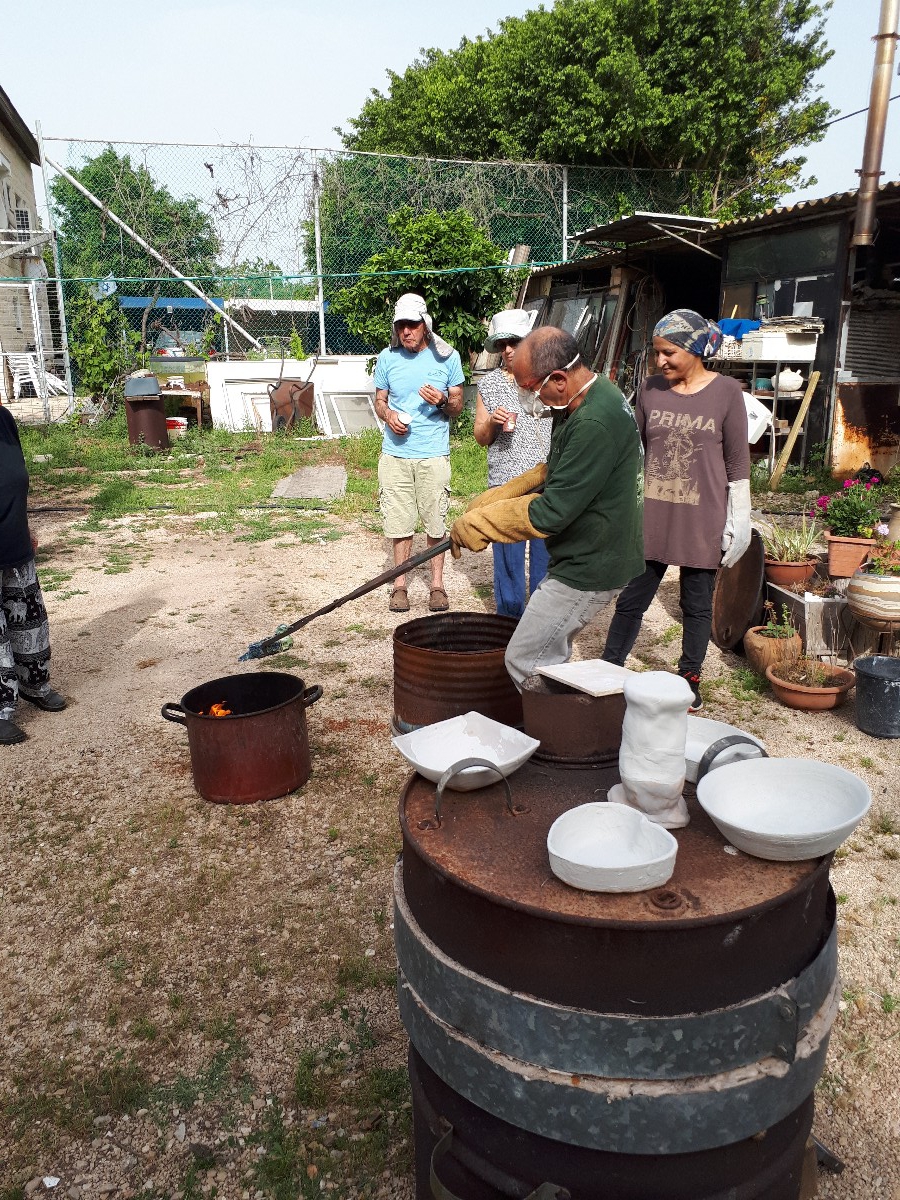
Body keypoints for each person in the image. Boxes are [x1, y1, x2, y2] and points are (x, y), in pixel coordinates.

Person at [450, 326, 644, 689]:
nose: (525, 396)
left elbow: (550, 513)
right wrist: (507, 491)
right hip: (585, 551)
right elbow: (558, 467)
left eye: (529, 388)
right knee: (546, 656)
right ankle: (562, 726)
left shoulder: (594, 422)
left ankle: (567, 735)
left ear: (557, 378)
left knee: (524, 659)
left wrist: (484, 523)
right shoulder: (584, 396)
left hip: (591, 564)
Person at [601, 309, 752, 712]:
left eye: (669, 352)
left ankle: (690, 677)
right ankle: (610, 665)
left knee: (696, 604)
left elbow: (738, 462)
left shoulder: (727, 393)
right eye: (656, 353)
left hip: (703, 518)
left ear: (694, 349)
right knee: (632, 598)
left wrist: (741, 516)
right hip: (652, 515)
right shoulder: (651, 390)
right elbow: (634, 451)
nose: (660, 361)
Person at [372, 293, 465, 613]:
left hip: (433, 453)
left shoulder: (447, 357)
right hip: (395, 455)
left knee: (435, 525)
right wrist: (389, 416)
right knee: (399, 524)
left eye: (412, 325)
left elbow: (457, 407)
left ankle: (437, 586)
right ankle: (400, 586)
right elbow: (379, 401)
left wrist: (441, 401)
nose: (406, 332)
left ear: (425, 325)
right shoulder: (387, 357)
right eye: (400, 326)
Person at [473, 309, 551, 618]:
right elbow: (480, 437)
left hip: (547, 480)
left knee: (547, 557)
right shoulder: (490, 384)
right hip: (505, 483)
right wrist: (492, 422)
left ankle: (543, 621)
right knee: (508, 558)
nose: (507, 350)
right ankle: (509, 622)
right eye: (502, 344)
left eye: (514, 342)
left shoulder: (548, 379)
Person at [0, 405, 67, 745]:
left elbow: (15, 481)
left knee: (30, 623)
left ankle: (34, 684)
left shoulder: (4, 420)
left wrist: (25, 528)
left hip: (13, 543)